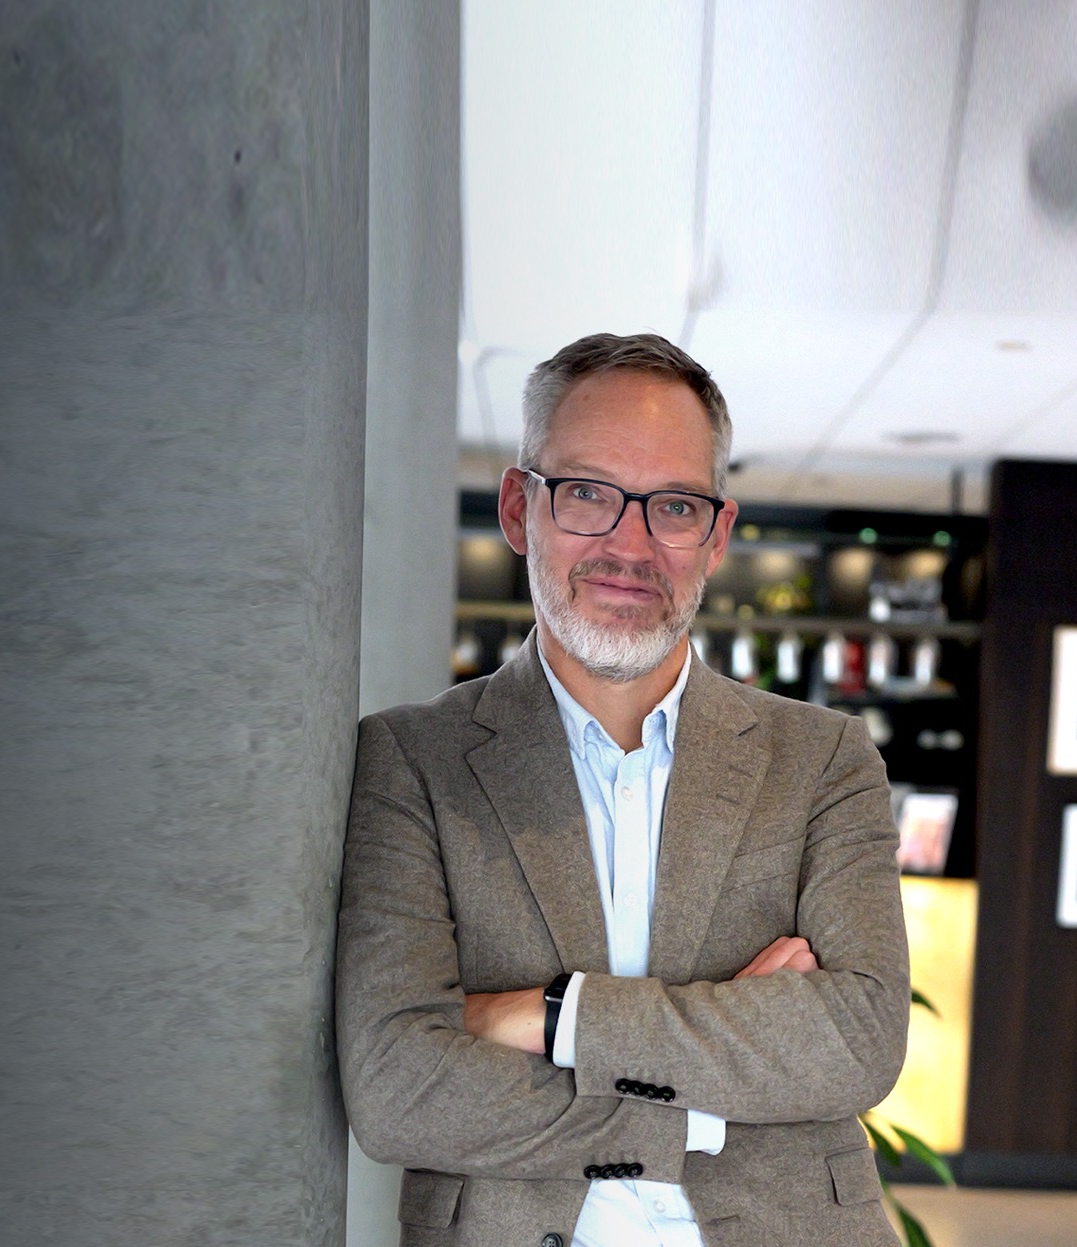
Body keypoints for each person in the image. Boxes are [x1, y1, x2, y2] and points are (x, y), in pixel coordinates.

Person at [336, 332, 909, 1247]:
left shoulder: (822, 758)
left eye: (674, 505)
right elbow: (399, 1089)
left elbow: (858, 1041)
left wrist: (547, 1014)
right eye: (589, 493)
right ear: (519, 508)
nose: (630, 545)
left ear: (716, 535)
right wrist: (696, 1107)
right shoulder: (412, 760)